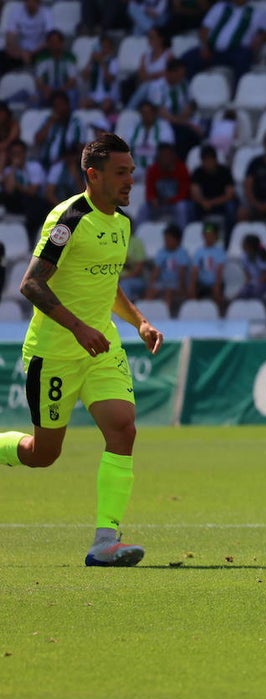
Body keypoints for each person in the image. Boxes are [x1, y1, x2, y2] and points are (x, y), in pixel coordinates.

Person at [0, 133, 165, 567]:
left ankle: (105, 541)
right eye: (121, 173)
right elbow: (31, 283)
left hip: (101, 348)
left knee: (123, 429)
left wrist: (140, 321)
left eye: (131, 171)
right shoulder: (69, 219)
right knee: (43, 455)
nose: (130, 180)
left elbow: (106, 285)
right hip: (55, 351)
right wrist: (76, 328)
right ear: (93, 175)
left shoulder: (122, 223)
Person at [181, 0, 266, 79]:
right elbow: (204, 29)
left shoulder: (256, 13)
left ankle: (237, 93)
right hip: (212, 50)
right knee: (187, 59)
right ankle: (190, 92)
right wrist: (205, 47)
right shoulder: (219, 7)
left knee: (244, 58)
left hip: (236, 51)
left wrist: (260, 38)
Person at [146, 222, 192, 312]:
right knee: (150, 292)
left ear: (177, 240)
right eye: (165, 239)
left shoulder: (182, 253)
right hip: (163, 283)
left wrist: (183, 289)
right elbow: (156, 271)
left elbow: (182, 274)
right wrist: (150, 285)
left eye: (169, 239)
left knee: (168, 293)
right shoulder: (161, 252)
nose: (166, 242)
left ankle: (166, 317)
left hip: (177, 284)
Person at [189, 143, 238, 229]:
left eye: (210, 159)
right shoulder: (198, 172)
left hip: (221, 202)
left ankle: (229, 234)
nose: (208, 163)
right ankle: (198, 232)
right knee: (192, 207)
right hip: (204, 203)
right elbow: (194, 192)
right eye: (205, 160)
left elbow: (229, 195)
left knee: (231, 206)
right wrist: (203, 202)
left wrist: (211, 203)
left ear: (215, 159)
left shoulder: (225, 172)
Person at [32, 29, 79, 107]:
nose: (54, 45)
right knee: (35, 97)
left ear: (62, 43)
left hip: (64, 89)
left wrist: (60, 91)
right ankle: (36, 118)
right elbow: (38, 80)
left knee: (72, 94)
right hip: (48, 89)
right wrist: (45, 89)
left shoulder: (70, 58)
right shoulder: (42, 58)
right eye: (51, 42)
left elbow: (72, 81)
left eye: (57, 42)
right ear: (47, 43)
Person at [189, 219, 227, 310]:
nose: (209, 237)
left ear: (215, 236)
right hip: (202, 283)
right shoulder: (199, 252)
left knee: (217, 291)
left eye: (211, 235)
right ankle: (195, 312)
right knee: (192, 290)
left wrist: (217, 284)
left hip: (215, 282)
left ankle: (219, 314)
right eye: (207, 235)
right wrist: (192, 285)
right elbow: (195, 270)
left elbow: (219, 270)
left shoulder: (219, 251)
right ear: (203, 236)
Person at [236, 231, 266, 299]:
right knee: (242, 293)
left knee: (255, 292)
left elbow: (265, 276)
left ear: (251, 246)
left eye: (245, 244)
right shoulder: (243, 257)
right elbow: (247, 275)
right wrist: (247, 285)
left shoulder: (262, 255)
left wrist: (255, 283)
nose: (243, 245)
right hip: (253, 282)